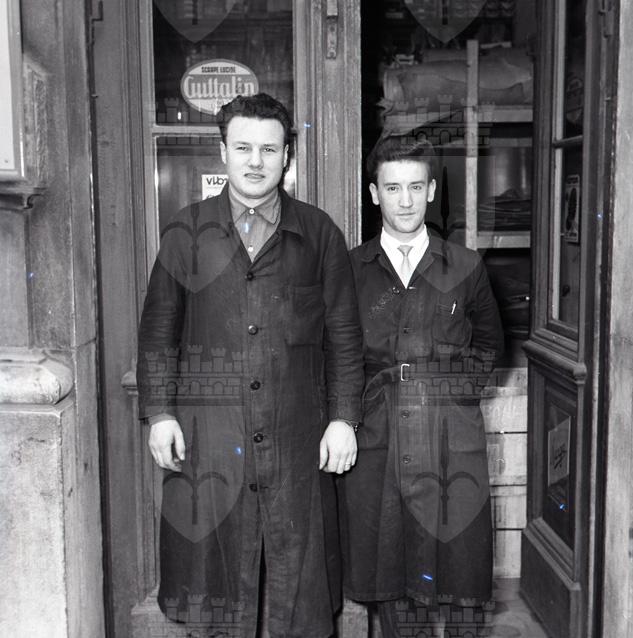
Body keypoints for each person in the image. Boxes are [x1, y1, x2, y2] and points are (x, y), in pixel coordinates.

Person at [137, 93, 363, 638]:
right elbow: (159, 332)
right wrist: (160, 413)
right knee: (214, 582)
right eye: (243, 148)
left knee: (298, 589)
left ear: (287, 156)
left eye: (269, 149)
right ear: (223, 152)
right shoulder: (185, 233)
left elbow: (344, 336)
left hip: (297, 434)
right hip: (212, 435)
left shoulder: (319, 234)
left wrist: (344, 418)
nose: (255, 161)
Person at [339, 135, 503, 637]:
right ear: (374, 194)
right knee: (392, 569)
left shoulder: (466, 266)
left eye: (415, 186)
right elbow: (337, 353)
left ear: (431, 190)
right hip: (379, 436)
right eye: (392, 188)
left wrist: (455, 398)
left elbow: (490, 346)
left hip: (450, 436)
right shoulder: (351, 270)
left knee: (460, 568)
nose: (405, 200)